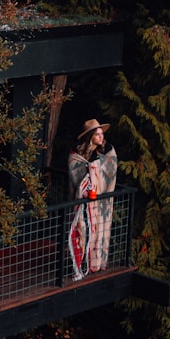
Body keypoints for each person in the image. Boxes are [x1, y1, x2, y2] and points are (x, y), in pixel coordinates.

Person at [67, 119, 118, 280]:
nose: (101, 137)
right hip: (83, 204)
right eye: (97, 134)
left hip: (101, 203)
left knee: (100, 232)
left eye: (102, 134)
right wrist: (90, 172)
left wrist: (95, 170)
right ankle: (81, 263)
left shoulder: (108, 151)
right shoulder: (77, 154)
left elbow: (111, 172)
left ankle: (95, 263)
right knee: (82, 231)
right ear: (90, 136)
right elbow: (74, 171)